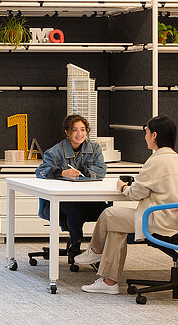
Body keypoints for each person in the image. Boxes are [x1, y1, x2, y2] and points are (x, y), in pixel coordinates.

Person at [74, 115, 178, 294]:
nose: (144, 136)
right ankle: (108, 282)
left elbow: (137, 193)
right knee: (116, 225)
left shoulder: (156, 161)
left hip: (159, 221)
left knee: (109, 214)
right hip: (173, 219)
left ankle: (96, 250)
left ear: (154, 135)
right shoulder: (175, 159)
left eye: (146, 132)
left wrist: (123, 187)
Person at [34, 114, 107, 258]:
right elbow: (40, 172)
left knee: (107, 211)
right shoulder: (55, 151)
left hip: (87, 199)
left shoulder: (94, 148)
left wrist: (84, 172)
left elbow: (102, 170)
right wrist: (62, 172)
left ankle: (101, 250)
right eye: (75, 130)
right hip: (60, 202)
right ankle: (75, 245)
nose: (80, 134)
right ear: (67, 132)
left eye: (83, 130)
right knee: (75, 210)